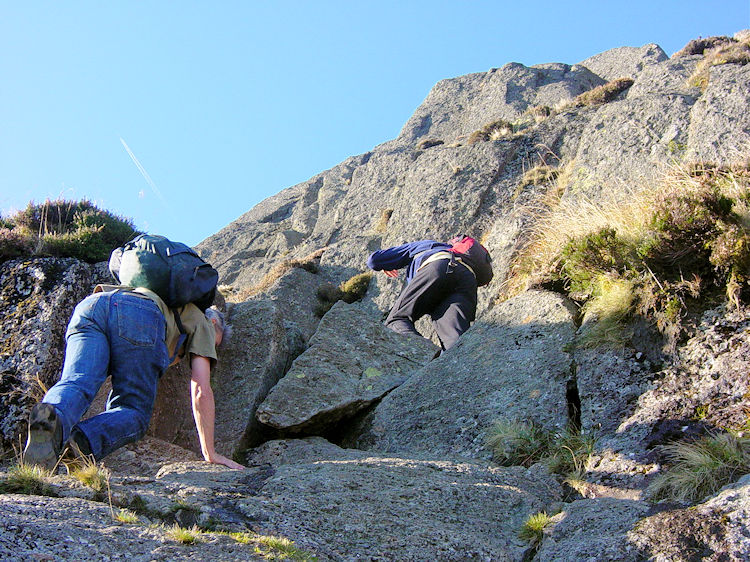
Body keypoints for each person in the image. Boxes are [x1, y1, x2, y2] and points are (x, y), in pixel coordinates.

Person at [23, 283, 244, 470]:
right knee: (134, 411)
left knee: (78, 381)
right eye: (214, 345)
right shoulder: (205, 322)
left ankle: (51, 418)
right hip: (138, 315)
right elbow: (200, 389)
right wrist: (210, 452)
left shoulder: (173, 305)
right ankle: (79, 445)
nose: (205, 351)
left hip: (93, 304)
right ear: (215, 323)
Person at [367, 237, 491, 351]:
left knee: (397, 319)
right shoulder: (460, 257)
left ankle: (423, 355)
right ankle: (459, 369)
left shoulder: (429, 245)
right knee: (454, 342)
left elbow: (374, 260)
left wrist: (387, 264)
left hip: (439, 266)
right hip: (467, 280)